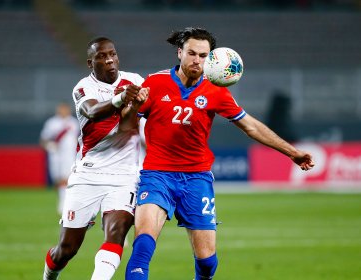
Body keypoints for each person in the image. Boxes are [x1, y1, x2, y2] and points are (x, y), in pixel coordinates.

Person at [125, 27, 315, 280]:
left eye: (203, 55)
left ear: (210, 58)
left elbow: (250, 126)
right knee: (143, 244)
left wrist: (292, 153)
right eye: (191, 53)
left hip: (197, 178)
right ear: (180, 52)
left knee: (207, 263)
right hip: (157, 174)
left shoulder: (215, 90)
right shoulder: (154, 83)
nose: (197, 60)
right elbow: (126, 125)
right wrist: (130, 108)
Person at [43, 37, 149, 280]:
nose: (109, 59)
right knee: (66, 250)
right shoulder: (83, 87)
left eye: (112, 54)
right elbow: (92, 111)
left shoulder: (135, 80)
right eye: (102, 56)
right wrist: (121, 99)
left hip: (124, 176)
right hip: (88, 175)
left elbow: (136, 121)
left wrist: (138, 104)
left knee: (117, 232)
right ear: (91, 63)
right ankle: (49, 275)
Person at [40, 102, 79, 215]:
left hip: (70, 155)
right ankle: (63, 202)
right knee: (57, 180)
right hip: (56, 155)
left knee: (66, 179)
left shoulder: (74, 122)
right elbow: (43, 139)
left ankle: (64, 205)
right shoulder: (52, 123)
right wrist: (48, 146)